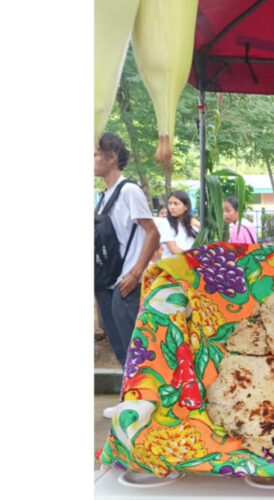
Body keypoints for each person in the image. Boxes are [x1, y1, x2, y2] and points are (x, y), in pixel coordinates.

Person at [94, 132, 160, 366]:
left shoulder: (129, 191)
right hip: (107, 284)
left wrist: (135, 273)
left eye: (95, 155)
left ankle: (146, 398)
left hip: (126, 283)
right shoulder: (103, 197)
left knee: (135, 351)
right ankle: (130, 399)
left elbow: (153, 233)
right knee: (122, 350)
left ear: (111, 157)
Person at [158, 191, 200, 258]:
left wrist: (199, 225)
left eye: (176, 204)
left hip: (191, 265)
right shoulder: (164, 223)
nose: (172, 207)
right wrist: (196, 259)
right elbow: (174, 249)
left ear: (186, 206)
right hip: (172, 266)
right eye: (170, 203)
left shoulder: (193, 224)